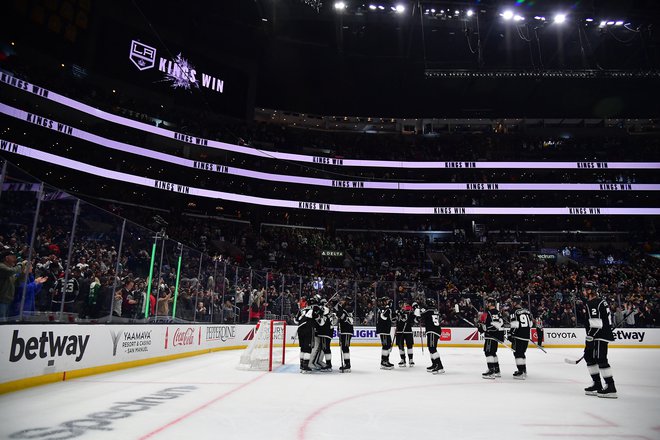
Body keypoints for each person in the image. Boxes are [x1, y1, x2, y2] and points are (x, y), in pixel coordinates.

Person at [583, 282, 617, 398]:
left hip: (598, 335)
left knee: (600, 358)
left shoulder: (593, 303)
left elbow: (597, 323)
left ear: (590, 291)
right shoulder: (600, 302)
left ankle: (610, 386)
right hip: (599, 334)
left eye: (585, 289)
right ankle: (597, 384)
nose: (583, 291)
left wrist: (590, 336)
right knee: (589, 357)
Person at [507, 296, 533, 380]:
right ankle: (524, 370)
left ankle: (520, 371)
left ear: (514, 303)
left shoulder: (514, 311)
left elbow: (514, 324)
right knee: (522, 353)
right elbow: (531, 324)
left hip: (518, 336)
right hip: (526, 336)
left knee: (517, 353)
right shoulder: (527, 311)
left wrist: (511, 334)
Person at [294, 294, 321, 373]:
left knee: (302, 348)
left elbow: (296, 320)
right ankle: (306, 366)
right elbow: (318, 318)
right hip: (308, 329)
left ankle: (302, 365)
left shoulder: (302, 310)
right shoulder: (314, 309)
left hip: (300, 329)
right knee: (308, 348)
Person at [479, 297, 504, 379]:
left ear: (490, 304)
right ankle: (497, 371)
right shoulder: (498, 312)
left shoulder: (489, 313)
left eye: (487, 303)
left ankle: (491, 371)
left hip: (491, 336)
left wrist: (482, 328)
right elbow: (498, 324)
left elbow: (489, 326)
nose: (486, 304)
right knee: (493, 353)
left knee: (488, 352)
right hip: (497, 335)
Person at [419, 298, 445, 374]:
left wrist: (419, 310)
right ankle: (434, 364)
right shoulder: (435, 310)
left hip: (432, 330)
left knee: (432, 348)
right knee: (431, 348)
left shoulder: (429, 311)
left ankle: (439, 366)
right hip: (434, 330)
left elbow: (420, 315)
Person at [312, 298, 333, 371]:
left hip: (325, 333)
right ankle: (327, 364)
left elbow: (321, 322)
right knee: (325, 348)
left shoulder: (325, 310)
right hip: (328, 333)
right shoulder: (328, 311)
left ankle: (328, 365)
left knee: (326, 348)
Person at [334, 296, 354, 373]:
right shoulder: (344, 308)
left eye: (343, 300)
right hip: (343, 331)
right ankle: (346, 363)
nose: (341, 301)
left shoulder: (348, 308)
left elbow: (341, 315)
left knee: (345, 347)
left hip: (346, 331)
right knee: (344, 347)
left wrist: (339, 307)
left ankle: (347, 364)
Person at [394, 299, 416, 367]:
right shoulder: (397, 312)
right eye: (400, 304)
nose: (401, 305)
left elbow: (414, 320)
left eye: (402, 304)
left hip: (408, 331)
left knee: (409, 346)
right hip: (400, 331)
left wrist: (414, 316)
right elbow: (395, 320)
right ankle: (402, 359)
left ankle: (411, 360)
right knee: (400, 346)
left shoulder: (409, 312)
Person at [376, 296, 394, 370]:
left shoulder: (386, 309)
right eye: (387, 301)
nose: (388, 302)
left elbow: (390, 318)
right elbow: (384, 317)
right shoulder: (382, 309)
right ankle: (383, 362)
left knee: (388, 345)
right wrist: (388, 308)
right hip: (383, 330)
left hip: (386, 330)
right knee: (385, 346)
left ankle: (386, 360)